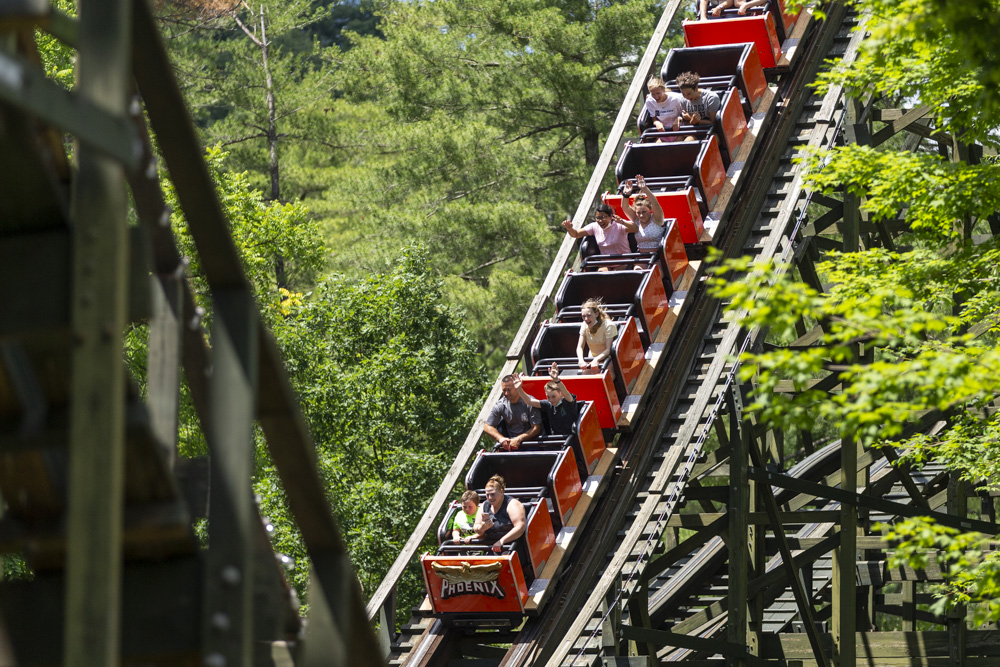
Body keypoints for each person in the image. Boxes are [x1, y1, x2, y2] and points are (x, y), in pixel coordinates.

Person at [513, 363, 579, 436]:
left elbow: (566, 393)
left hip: (571, 438)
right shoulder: (548, 404)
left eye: (553, 396)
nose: (550, 399)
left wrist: (556, 379)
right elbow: (529, 401)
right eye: (548, 397)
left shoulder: (568, 402)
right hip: (556, 440)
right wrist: (519, 389)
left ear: (560, 394)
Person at [561, 204, 638, 264]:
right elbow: (576, 234)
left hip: (623, 261)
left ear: (611, 216)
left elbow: (635, 229)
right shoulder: (594, 226)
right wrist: (569, 228)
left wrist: (622, 222)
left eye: (603, 217)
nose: (600, 221)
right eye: (598, 218)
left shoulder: (619, 225)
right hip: (605, 263)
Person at [483, 374, 542, 450]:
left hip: (531, 443)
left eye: (509, 390)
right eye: (504, 390)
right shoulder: (501, 405)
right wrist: (501, 438)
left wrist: (519, 439)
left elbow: (536, 428)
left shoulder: (529, 402)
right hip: (510, 445)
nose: (506, 393)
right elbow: (487, 426)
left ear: (516, 388)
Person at [620, 174, 666, 266]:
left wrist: (645, 189)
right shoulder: (636, 220)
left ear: (650, 210)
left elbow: (655, 204)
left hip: (657, 259)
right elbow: (624, 207)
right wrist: (626, 195)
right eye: (638, 213)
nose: (641, 215)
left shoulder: (657, 219)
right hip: (642, 259)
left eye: (644, 212)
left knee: (654, 275)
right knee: (638, 272)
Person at [474, 475, 527, 554]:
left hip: (511, 546)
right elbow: (476, 528)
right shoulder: (485, 505)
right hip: (490, 546)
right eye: (487, 495)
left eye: (493, 494)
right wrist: (483, 527)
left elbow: (520, 527)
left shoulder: (512, 504)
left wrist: (502, 541)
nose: (490, 498)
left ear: (501, 491)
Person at [577, 299, 618, 373]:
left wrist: (596, 360)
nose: (586, 319)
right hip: (592, 358)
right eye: (583, 316)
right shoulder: (584, 325)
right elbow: (580, 347)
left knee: (604, 378)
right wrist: (581, 360)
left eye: (589, 315)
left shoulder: (608, 325)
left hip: (607, 359)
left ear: (596, 314)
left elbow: (608, 350)